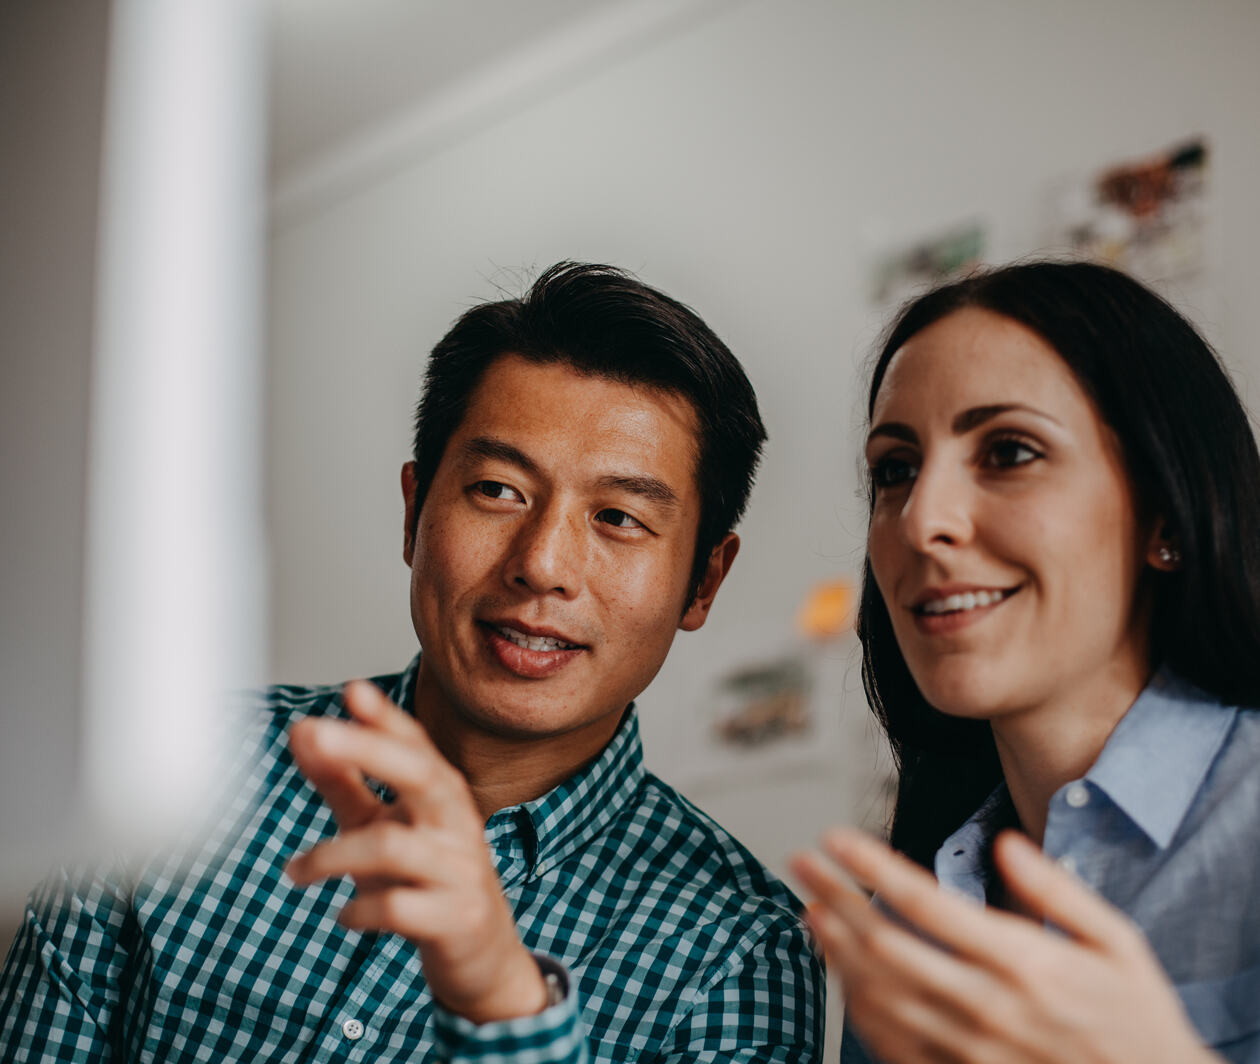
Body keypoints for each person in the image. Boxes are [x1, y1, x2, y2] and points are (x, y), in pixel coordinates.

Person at [0, 262, 824, 1062]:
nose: (542, 565)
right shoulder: (180, 762)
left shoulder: (741, 953)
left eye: (616, 516)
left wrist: (506, 1009)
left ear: (703, 581)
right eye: (499, 490)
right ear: (413, 511)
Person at [791, 260, 1260, 1064]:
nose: (921, 521)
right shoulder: (910, 924)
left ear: (1166, 516)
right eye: (895, 471)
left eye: (1008, 452)